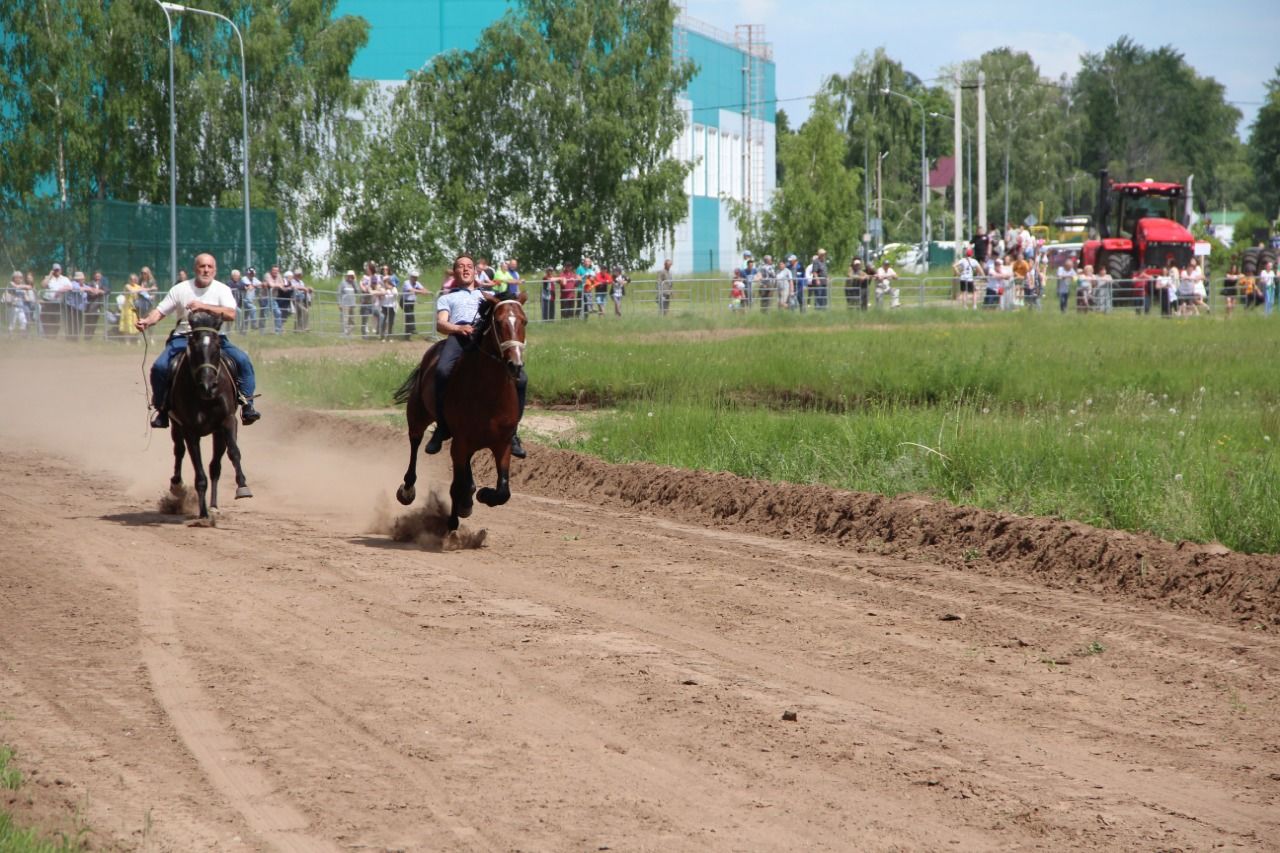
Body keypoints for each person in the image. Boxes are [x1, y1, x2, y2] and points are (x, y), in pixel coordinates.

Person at [135, 252, 260, 428]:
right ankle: (162, 409)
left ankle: (247, 404)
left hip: (216, 339)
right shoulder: (180, 289)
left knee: (243, 361)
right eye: (202, 266)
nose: (206, 270)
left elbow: (231, 314)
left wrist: (203, 306)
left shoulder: (222, 289)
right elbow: (161, 311)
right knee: (160, 367)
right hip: (184, 338)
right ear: (196, 269)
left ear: (215, 270)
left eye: (210, 267)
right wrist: (147, 321)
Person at [424, 253, 527, 459]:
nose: (465, 269)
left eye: (469, 266)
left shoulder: (487, 295)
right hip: (458, 337)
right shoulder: (447, 297)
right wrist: (457, 327)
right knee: (443, 371)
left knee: (521, 378)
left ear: (474, 271)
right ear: (455, 272)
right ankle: (442, 427)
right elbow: (441, 324)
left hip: (483, 340)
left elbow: (507, 309)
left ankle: (512, 433)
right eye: (461, 266)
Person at [402, 269, 427, 338]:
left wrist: (421, 291)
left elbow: (424, 290)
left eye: (416, 277)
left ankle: (407, 335)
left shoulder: (417, 283)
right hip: (405, 301)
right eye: (413, 277)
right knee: (410, 315)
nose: (415, 278)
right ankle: (413, 329)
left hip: (411, 302)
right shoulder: (406, 282)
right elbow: (411, 290)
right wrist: (420, 291)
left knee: (409, 316)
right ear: (410, 277)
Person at [84, 271, 109, 339]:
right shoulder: (90, 283)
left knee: (94, 322)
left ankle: (90, 336)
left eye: (99, 276)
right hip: (90, 306)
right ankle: (86, 336)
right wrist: (94, 291)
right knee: (89, 321)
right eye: (97, 276)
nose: (98, 277)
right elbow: (88, 291)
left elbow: (107, 290)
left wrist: (100, 291)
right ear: (94, 276)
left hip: (98, 306)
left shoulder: (102, 284)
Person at [119, 273, 144, 339]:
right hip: (127, 307)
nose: (133, 281)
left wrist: (150, 288)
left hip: (134, 308)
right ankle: (127, 340)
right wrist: (141, 289)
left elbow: (144, 290)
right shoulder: (127, 285)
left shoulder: (137, 286)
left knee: (135, 323)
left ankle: (135, 339)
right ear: (129, 280)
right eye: (132, 279)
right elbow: (132, 291)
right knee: (127, 323)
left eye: (134, 279)